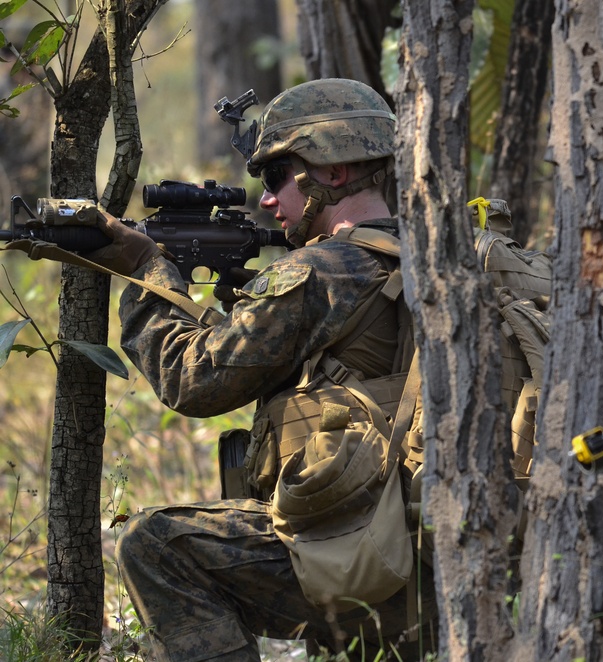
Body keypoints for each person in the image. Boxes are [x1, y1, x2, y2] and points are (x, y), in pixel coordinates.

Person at [79, 79, 430, 660]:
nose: (265, 199)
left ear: (333, 172)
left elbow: (192, 377)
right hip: (440, 554)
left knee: (156, 545)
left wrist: (147, 269)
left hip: (370, 557)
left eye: (275, 177)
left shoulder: (319, 272)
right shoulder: (435, 256)